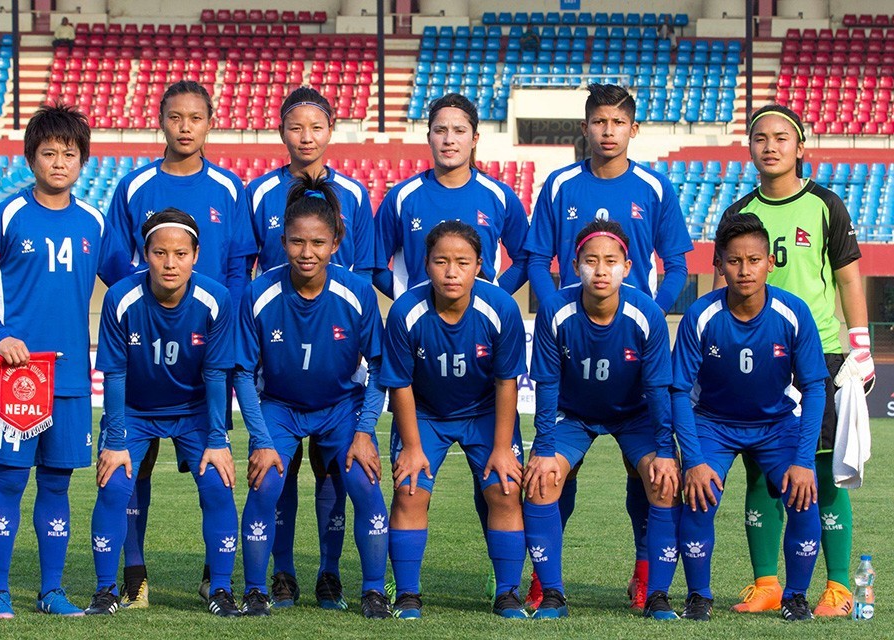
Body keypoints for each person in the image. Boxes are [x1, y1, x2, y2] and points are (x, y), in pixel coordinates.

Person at [523, 82, 693, 609]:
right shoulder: (558, 185)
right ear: (586, 127)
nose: (608, 131)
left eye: (618, 123)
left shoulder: (656, 188)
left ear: (633, 129)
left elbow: (679, 266)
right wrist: (558, 312)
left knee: (648, 478)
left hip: (631, 350)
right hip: (577, 352)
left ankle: (646, 576)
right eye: (599, 122)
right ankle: (542, 577)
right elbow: (536, 260)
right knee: (552, 471)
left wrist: (646, 309)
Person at [103, 79, 255, 607]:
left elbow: (239, 263)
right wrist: (149, 297)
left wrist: (222, 317)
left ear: (210, 123)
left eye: (195, 117)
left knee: (212, 468)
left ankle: (215, 578)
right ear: (161, 121)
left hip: (207, 350)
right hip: (148, 347)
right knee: (131, 468)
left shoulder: (230, 187)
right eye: (175, 117)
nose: (185, 126)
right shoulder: (134, 185)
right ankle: (134, 575)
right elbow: (112, 259)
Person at [0, 103, 113, 618]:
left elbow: (126, 284)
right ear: (31, 158)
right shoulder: (5, 214)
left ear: (82, 160)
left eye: (69, 153)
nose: (59, 162)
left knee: (57, 482)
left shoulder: (94, 221)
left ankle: (51, 592)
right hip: (15, 377)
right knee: (9, 480)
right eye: (49, 152)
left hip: (69, 378)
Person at [718, 104, 873, 617]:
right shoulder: (740, 212)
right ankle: (765, 583)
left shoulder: (826, 205)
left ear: (800, 146)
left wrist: (860, 344)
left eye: (781, 137)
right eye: (760, 137)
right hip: (760, 358)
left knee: (822, 470)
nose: (770, 146)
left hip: (821, 356)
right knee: (761, 473)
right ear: (751, 148)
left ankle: (839, 585)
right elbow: (726, 289)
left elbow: (849, 276)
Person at [234, 175, 391, 619]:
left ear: (337, 242)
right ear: (282, 241)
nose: (307, 253)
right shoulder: (258, 292)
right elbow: (243, 372)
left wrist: (364, 432)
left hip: (341, 408)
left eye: (318, 243)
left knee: (363, 482)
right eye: (298, 242)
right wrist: (261, 439)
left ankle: (364, 586)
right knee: (266, 484)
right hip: (279, 408)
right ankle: (261, 587)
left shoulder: (357, 292)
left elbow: (379, 368)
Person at [245, 86, 374, 610]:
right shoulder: (258, 192)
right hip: (279, 349)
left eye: (315, 127)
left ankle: (329, 573)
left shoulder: (357, 195)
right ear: (282, 132)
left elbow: (361, 274)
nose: (306, 137)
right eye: (296, 127)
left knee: (334, 473)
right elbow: (249, 270)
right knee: (279, 471)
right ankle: (280, 575)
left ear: (330, 130)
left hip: (334, 354)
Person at [84, 210, 241, 617]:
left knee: (218, 485)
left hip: (192, 411)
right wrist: (115, 442)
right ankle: (106, 590)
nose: (170, 263)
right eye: (159, 253)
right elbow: (114, 374)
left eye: (180, 253)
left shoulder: (216, 299)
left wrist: (218, 438)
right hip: (135, 411)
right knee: (114, 485)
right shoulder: (121, 297)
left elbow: (216, 373)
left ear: (195, 255)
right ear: (146, 254)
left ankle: (220, 589)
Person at [672, 212, 827, 622]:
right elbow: (677, 391)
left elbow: (813, 387)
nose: (744, 270)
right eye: (734, 261)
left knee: (803, 498)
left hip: (776, 426)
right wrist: (694, 461)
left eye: (754, 260)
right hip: (713, 423)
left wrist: (804, 462)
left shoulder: (794, 313)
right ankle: (698, 596)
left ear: (770, 262)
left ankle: (795, 597)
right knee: (699, 500)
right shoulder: (700, 316)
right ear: (718, 264)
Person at [523, 219, 681, 620]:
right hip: (574, 414)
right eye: (591, 261)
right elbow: (546, 383)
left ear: (627, 267)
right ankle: (549, 585)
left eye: (610, 261)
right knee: (543, 481)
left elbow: (659, 390)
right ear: (575, 266)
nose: (600, 270)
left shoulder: (646, 313)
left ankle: (651, 586)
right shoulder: (556, 310)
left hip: (634, 414)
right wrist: (542, 449)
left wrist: (664, 450)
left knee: (663, 482)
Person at [382, 221, 528, 619]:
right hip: (426, 413)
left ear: (479, 265)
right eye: (441, 261)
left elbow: (506, 382)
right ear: (425, 263)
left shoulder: (500, 308)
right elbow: (400, 385)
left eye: (462, 262)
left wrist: (501, 448)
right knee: (410, 490)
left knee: (505, 489)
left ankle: (508, 592)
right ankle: (408, 592)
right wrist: (412, 449)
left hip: (484, 411)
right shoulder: (405, 312)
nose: (451, 272)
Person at [374, 92, 528, 300]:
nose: (449, 140)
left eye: (459, 131)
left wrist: (494, 298)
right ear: (429, 138)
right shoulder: (401, 197)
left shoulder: (499, 196)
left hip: (479, 327)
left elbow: (526, 259)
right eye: (440, 130)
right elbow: (373, 262)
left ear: (474, 139)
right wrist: (407, 301)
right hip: (420, 326)